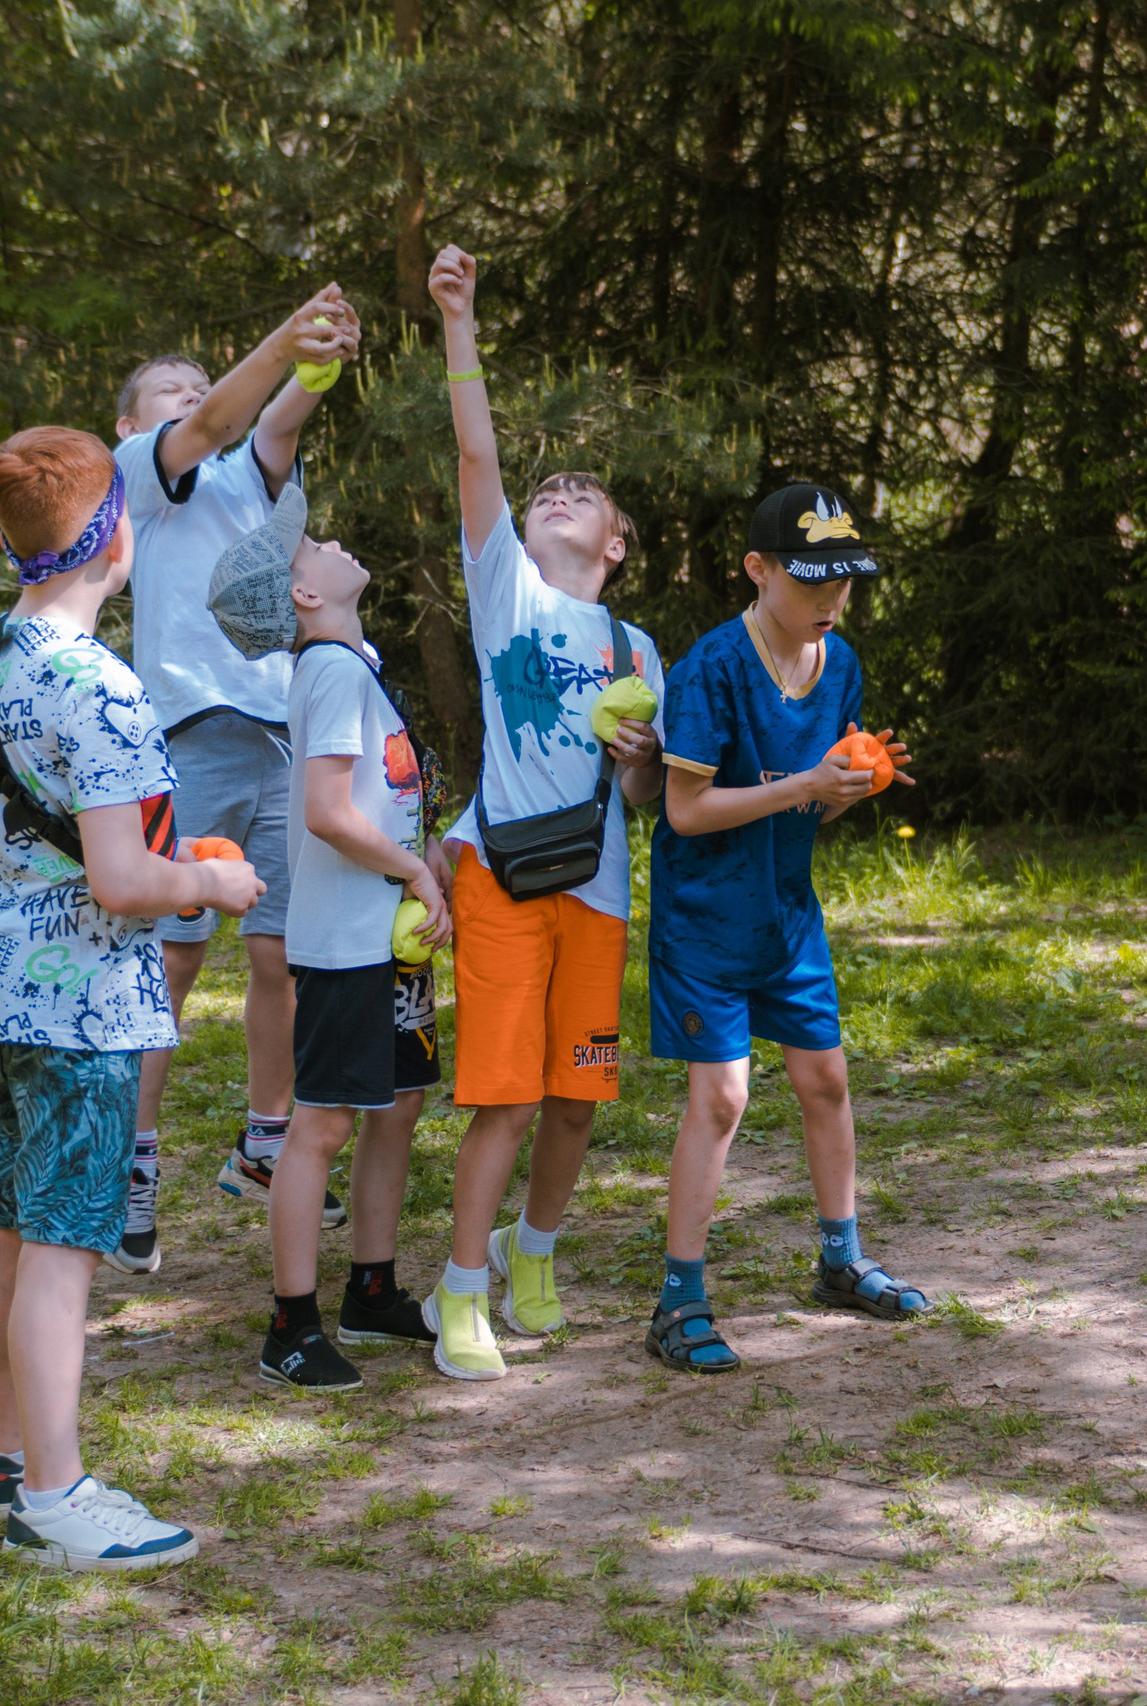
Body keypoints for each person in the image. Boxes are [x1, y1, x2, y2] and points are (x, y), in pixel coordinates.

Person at [0, 425, 263, 1569]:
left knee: (4, 1225)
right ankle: (57, 1494)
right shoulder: (102, 685)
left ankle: (5, 1455)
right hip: (82, 1004)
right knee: (63, 1245)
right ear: (117, 539)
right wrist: (213, 882)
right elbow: (127, 882)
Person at [423, 243, 666, 1382]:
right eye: (544, 494)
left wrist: (641, 759)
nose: (555, 495)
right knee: (508, 1097)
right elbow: (477, 452)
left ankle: (534, 1254)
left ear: (613, 545)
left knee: (575, 1098)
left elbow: (644, 799)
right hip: (503, 878)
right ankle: (460, 1288)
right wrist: (458, 319)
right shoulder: (506, 594)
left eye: (583, 496)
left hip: (598, 889)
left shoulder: (637, 647)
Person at [641, 482, 927, 1373]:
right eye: (812, 581)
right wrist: (805, 784)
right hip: (703, 919)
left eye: (844, 581)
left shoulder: (840, 666)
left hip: (785, 915)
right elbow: (685, 810)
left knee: (826, 1082)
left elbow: (812, 806)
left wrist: (851, 786)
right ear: (757, 570)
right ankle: (678, 1300)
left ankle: (841, 1261)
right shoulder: (711, 667)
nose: (832, 599)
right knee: (722, 1098)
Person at [112, 288, 361, 1274]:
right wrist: (283, 341)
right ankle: (130, 1162)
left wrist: (320, 357)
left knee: (281, 955)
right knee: (172, 961)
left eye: (198, 381)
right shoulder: (146, 474)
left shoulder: (247, 475)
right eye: (170, 390)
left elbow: (274, 420)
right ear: (131, 427)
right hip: (188, 736)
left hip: (278, 732)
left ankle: (264, 1141)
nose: (193, 394)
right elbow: (218, 418)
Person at [204, 486, 451, 1392]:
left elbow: (382, 795)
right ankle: (291, 1327)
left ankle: (372, 1291)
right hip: (348, 944)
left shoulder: (351, 663)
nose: (330, 542)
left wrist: (424, 855)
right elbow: (328, 813)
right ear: (304, 595)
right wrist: (416, 873)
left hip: (386, 940)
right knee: (323, 1125)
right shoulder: (335, 673)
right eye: (310, 547)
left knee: (398, 1104)